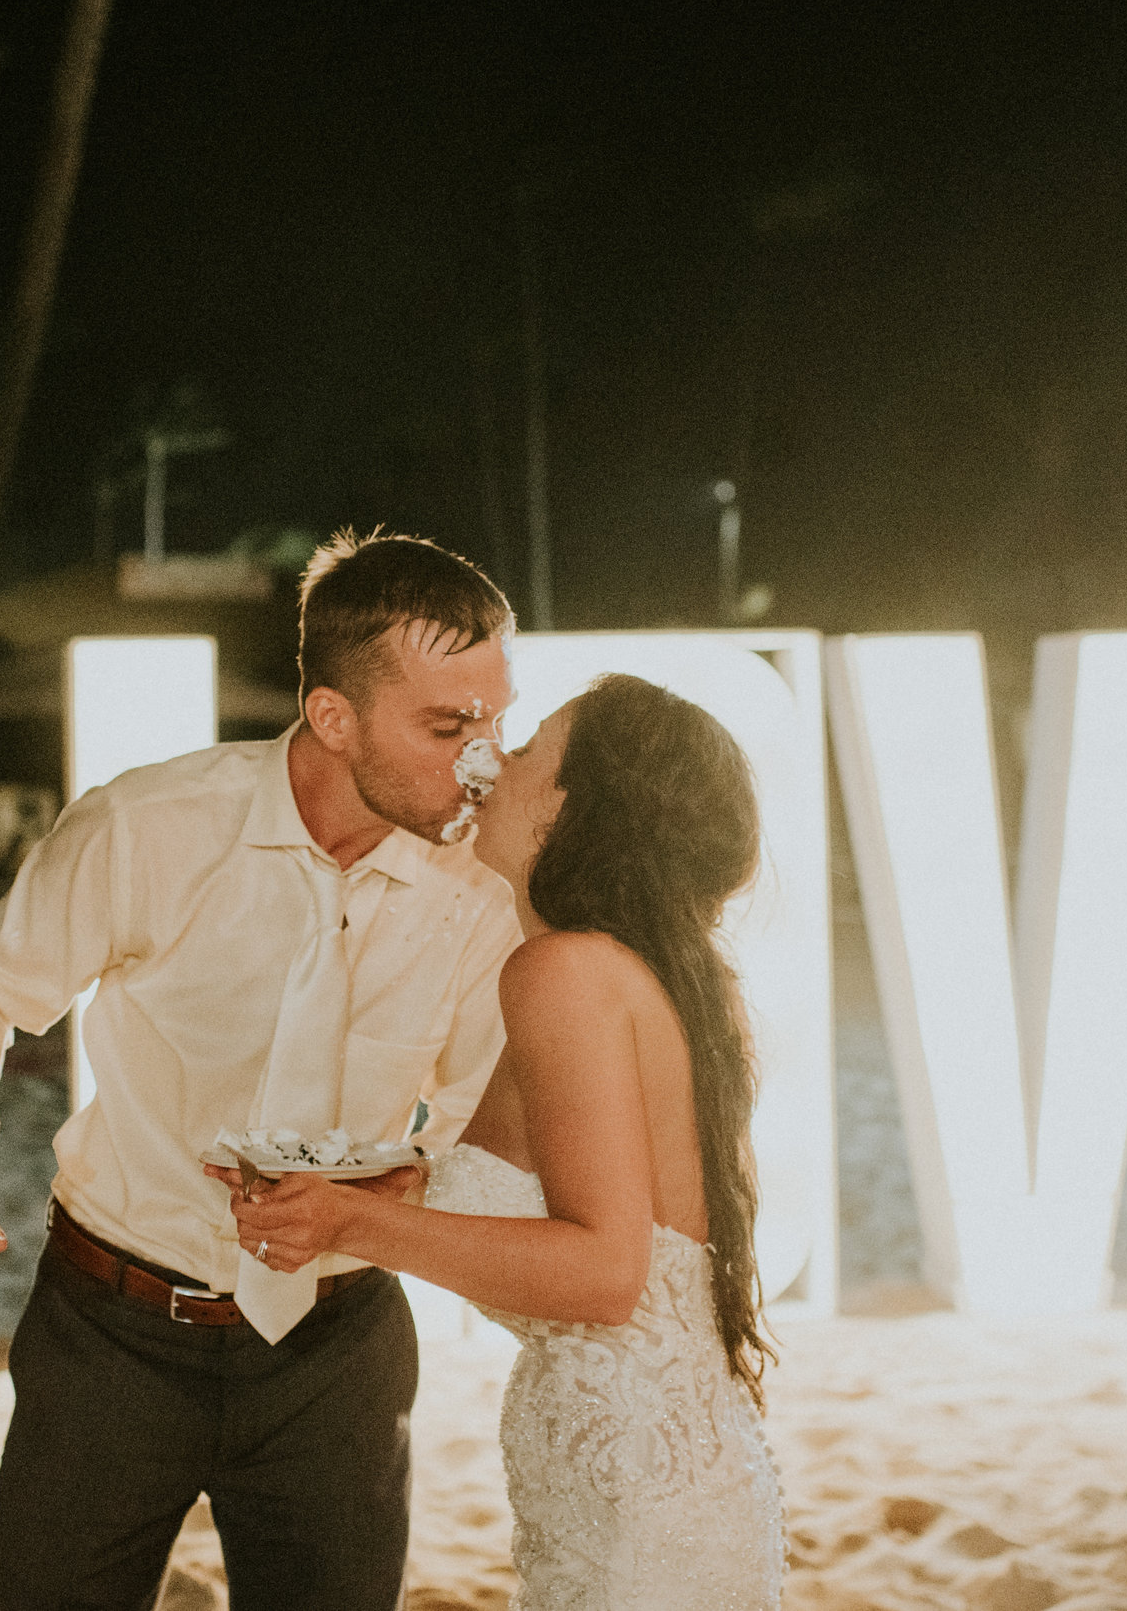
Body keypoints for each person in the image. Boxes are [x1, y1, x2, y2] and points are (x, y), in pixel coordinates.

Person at [0, 531, 525, 1611]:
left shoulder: (483, 886)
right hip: (109, 1337)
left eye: (496, 719)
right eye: (450, 725)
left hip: (341, 1352)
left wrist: (382, 1201)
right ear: (333, 717)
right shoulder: (149, 825)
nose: (486, 760)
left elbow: (478, 1127)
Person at [227, 673, 788, 1610]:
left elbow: (606, 1272)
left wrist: (348, 1227)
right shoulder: (636, 972)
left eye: (528, 748)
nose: (492, 757)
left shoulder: (562, 972)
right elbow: (522, 1200)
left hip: (636, 1524)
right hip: (653, 1489)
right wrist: (333, 1188)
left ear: (577, 809)